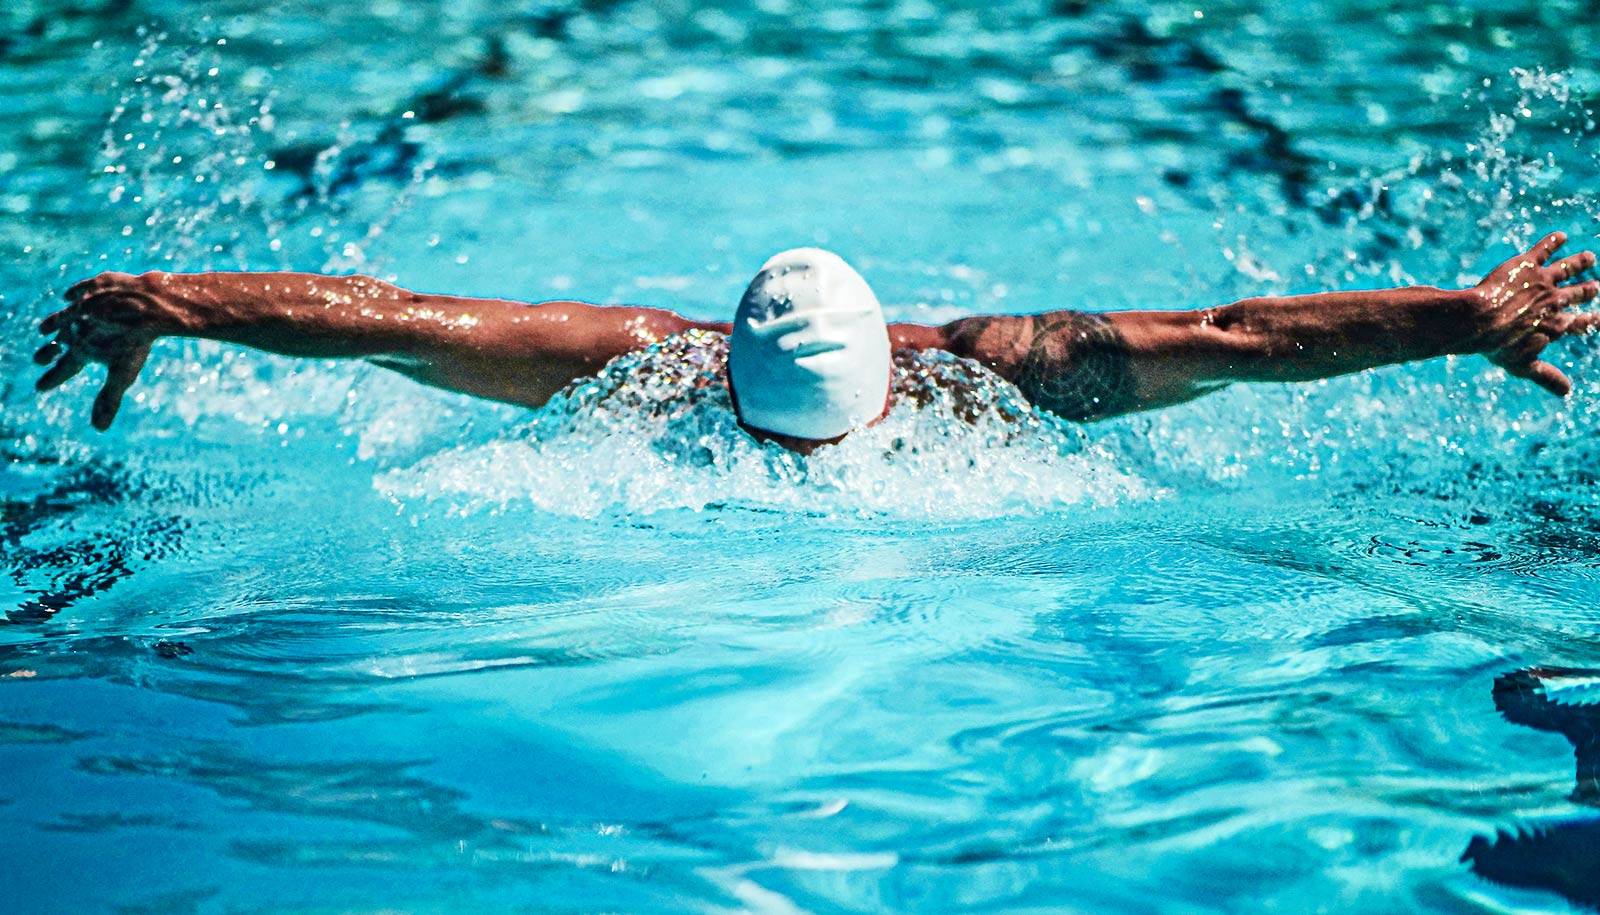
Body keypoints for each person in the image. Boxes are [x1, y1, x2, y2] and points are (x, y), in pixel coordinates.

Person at [33, 232, 1600, 451]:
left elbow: (1236, 332)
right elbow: (392, 324)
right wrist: (174, 302)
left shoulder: (1003, 371)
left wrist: (1457, 322)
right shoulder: (635, 362)